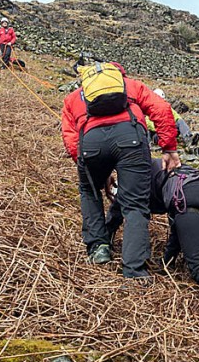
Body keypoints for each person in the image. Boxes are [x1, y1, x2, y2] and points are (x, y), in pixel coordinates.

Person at [61, 60, 180, 282]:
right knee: (135, 203)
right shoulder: (131, 86)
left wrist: (92, 169)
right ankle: (134, 270)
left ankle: (99, 248)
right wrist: (168, 147)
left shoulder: (74, 98)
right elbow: (162, 109)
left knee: (90, 191)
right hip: (131, 138)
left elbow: (70, 137)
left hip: (90, 144)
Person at [105, 159, 199, 304]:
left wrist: (105, 240)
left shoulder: (133, 179)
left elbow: (116, 210)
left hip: (188, 197)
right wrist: (168, 261)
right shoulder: (160, 165)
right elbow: (179, 232)